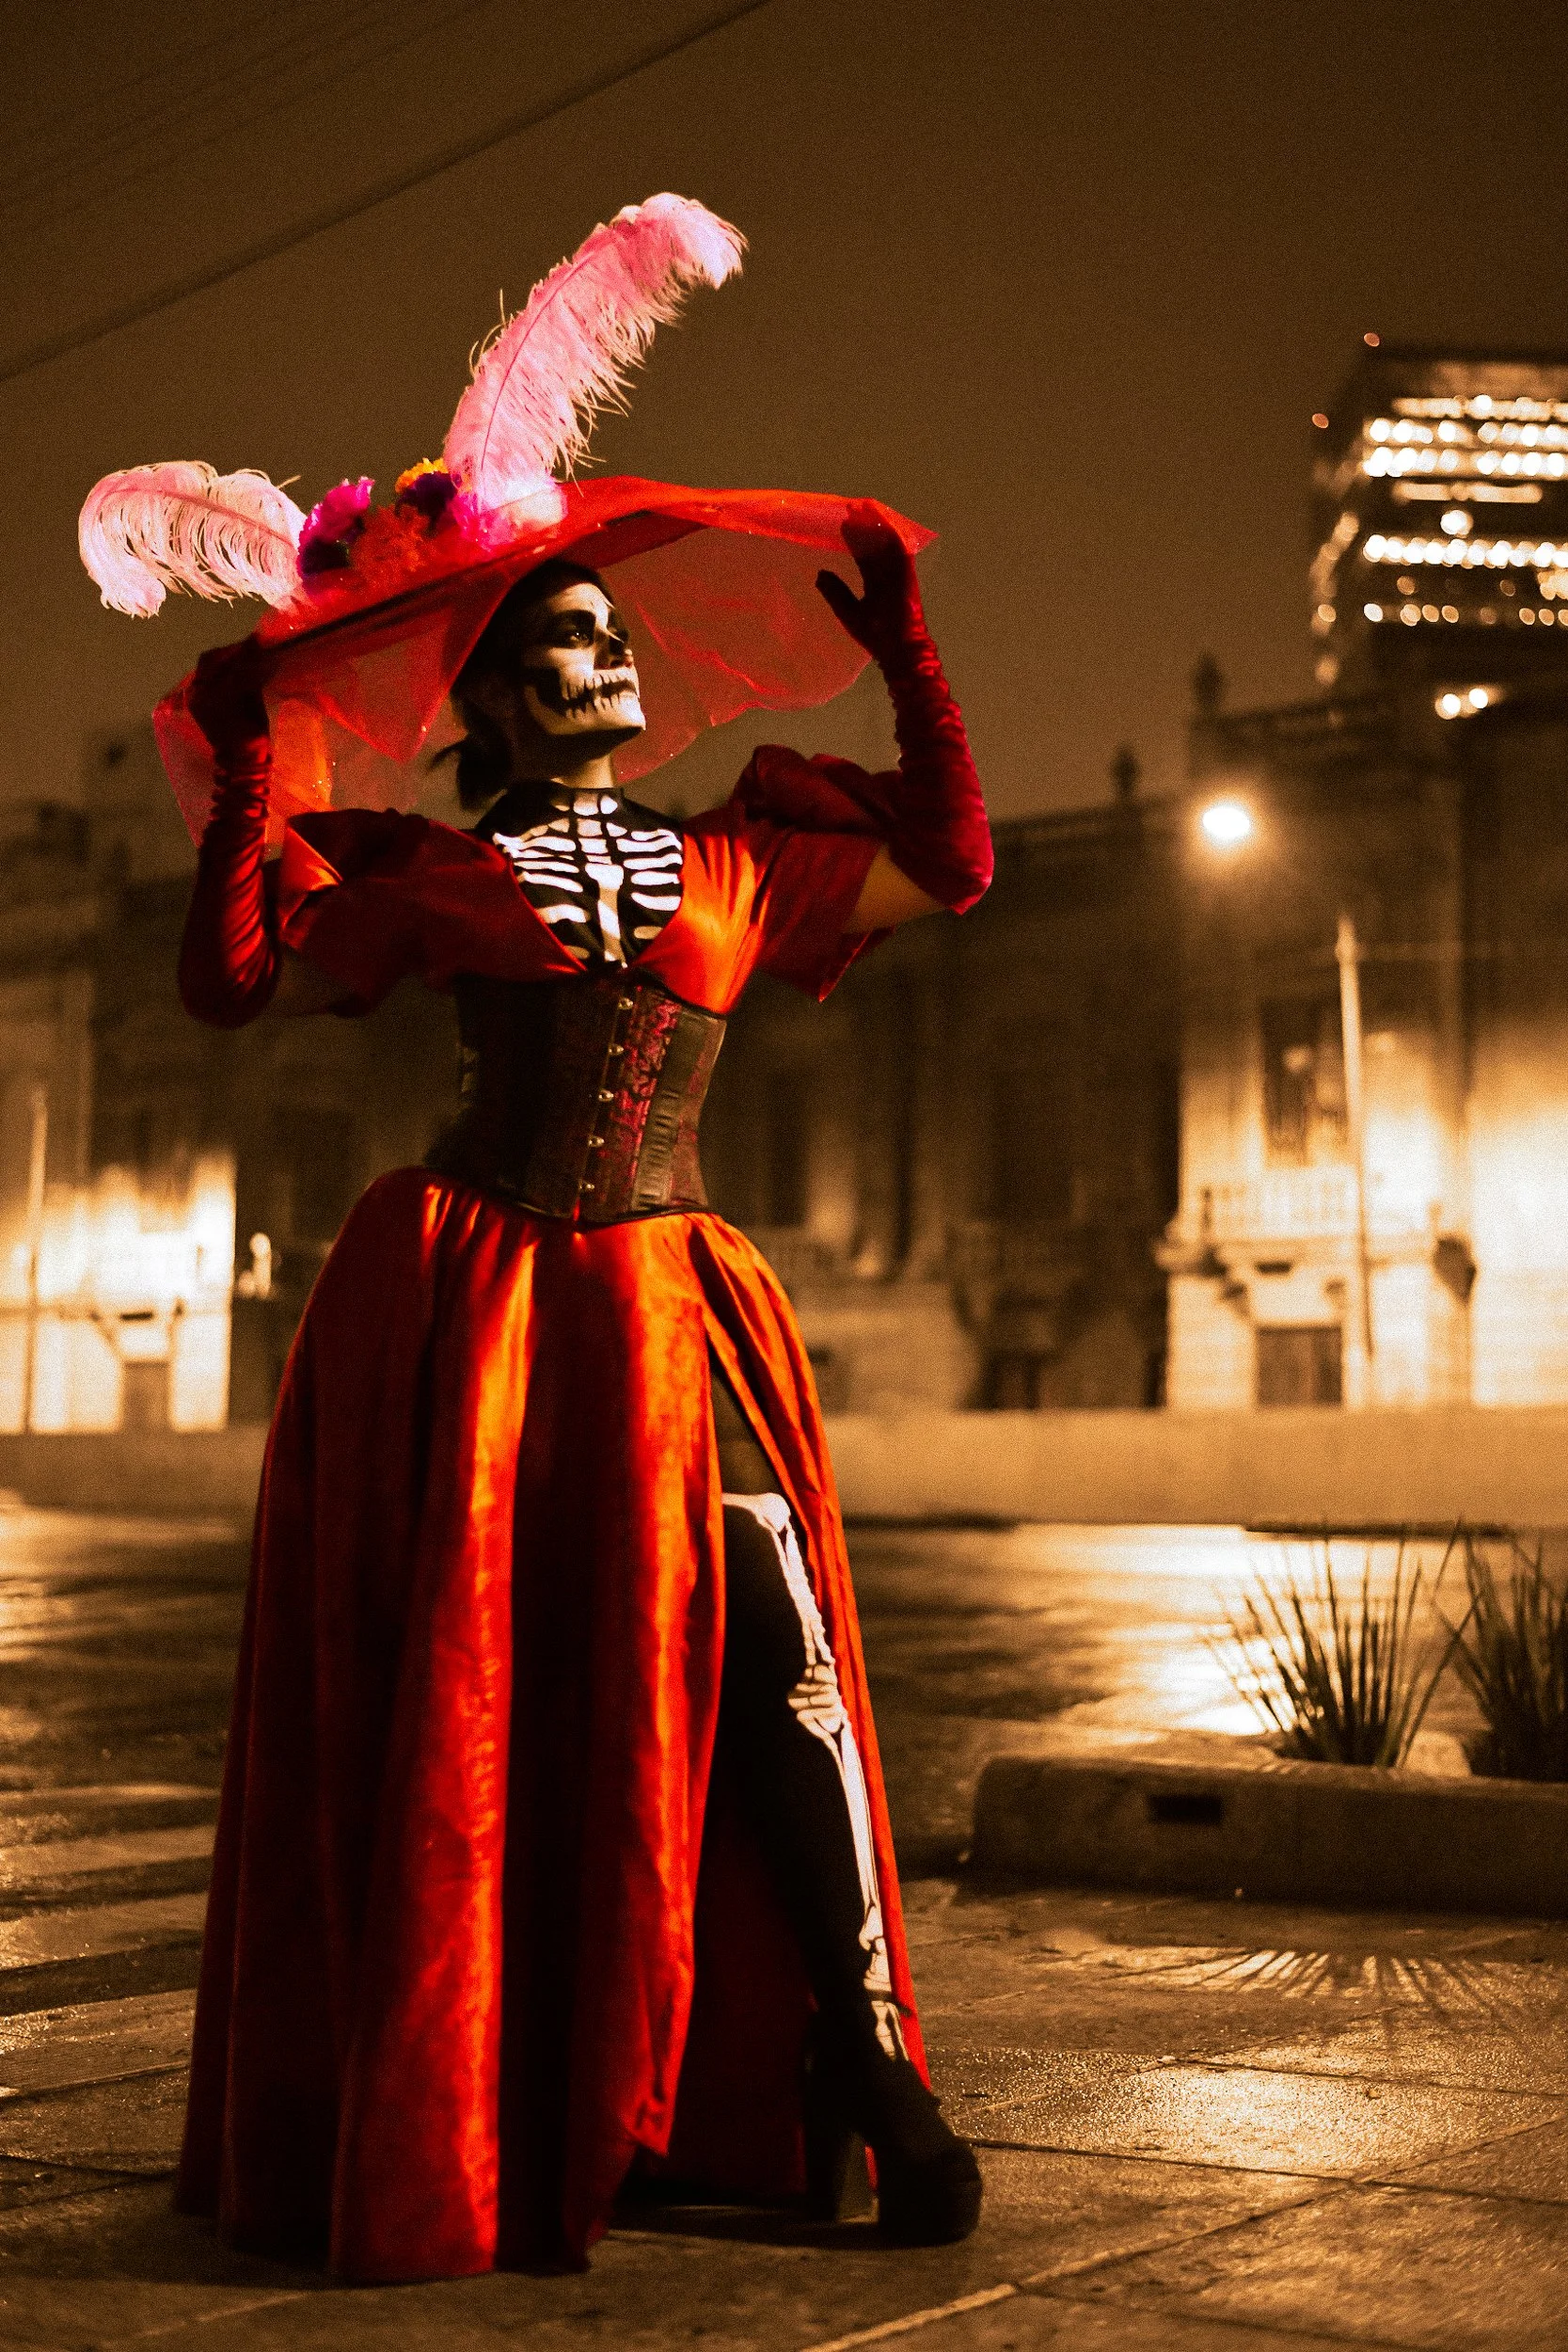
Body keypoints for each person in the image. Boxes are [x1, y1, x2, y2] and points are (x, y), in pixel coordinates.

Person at [76, 196, 993, 2280]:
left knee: (779, 1666)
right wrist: (252, 760)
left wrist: (906, 653)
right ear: (495, 706)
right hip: (470, 1298)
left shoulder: (739, 851)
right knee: (483, 1711)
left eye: (604, 635)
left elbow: (953, 864)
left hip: (672, 1291)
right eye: (556, 646)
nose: (598, 656)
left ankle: (857, 2055)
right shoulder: (421, 869)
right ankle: (479, 2089)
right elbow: (237, 978)